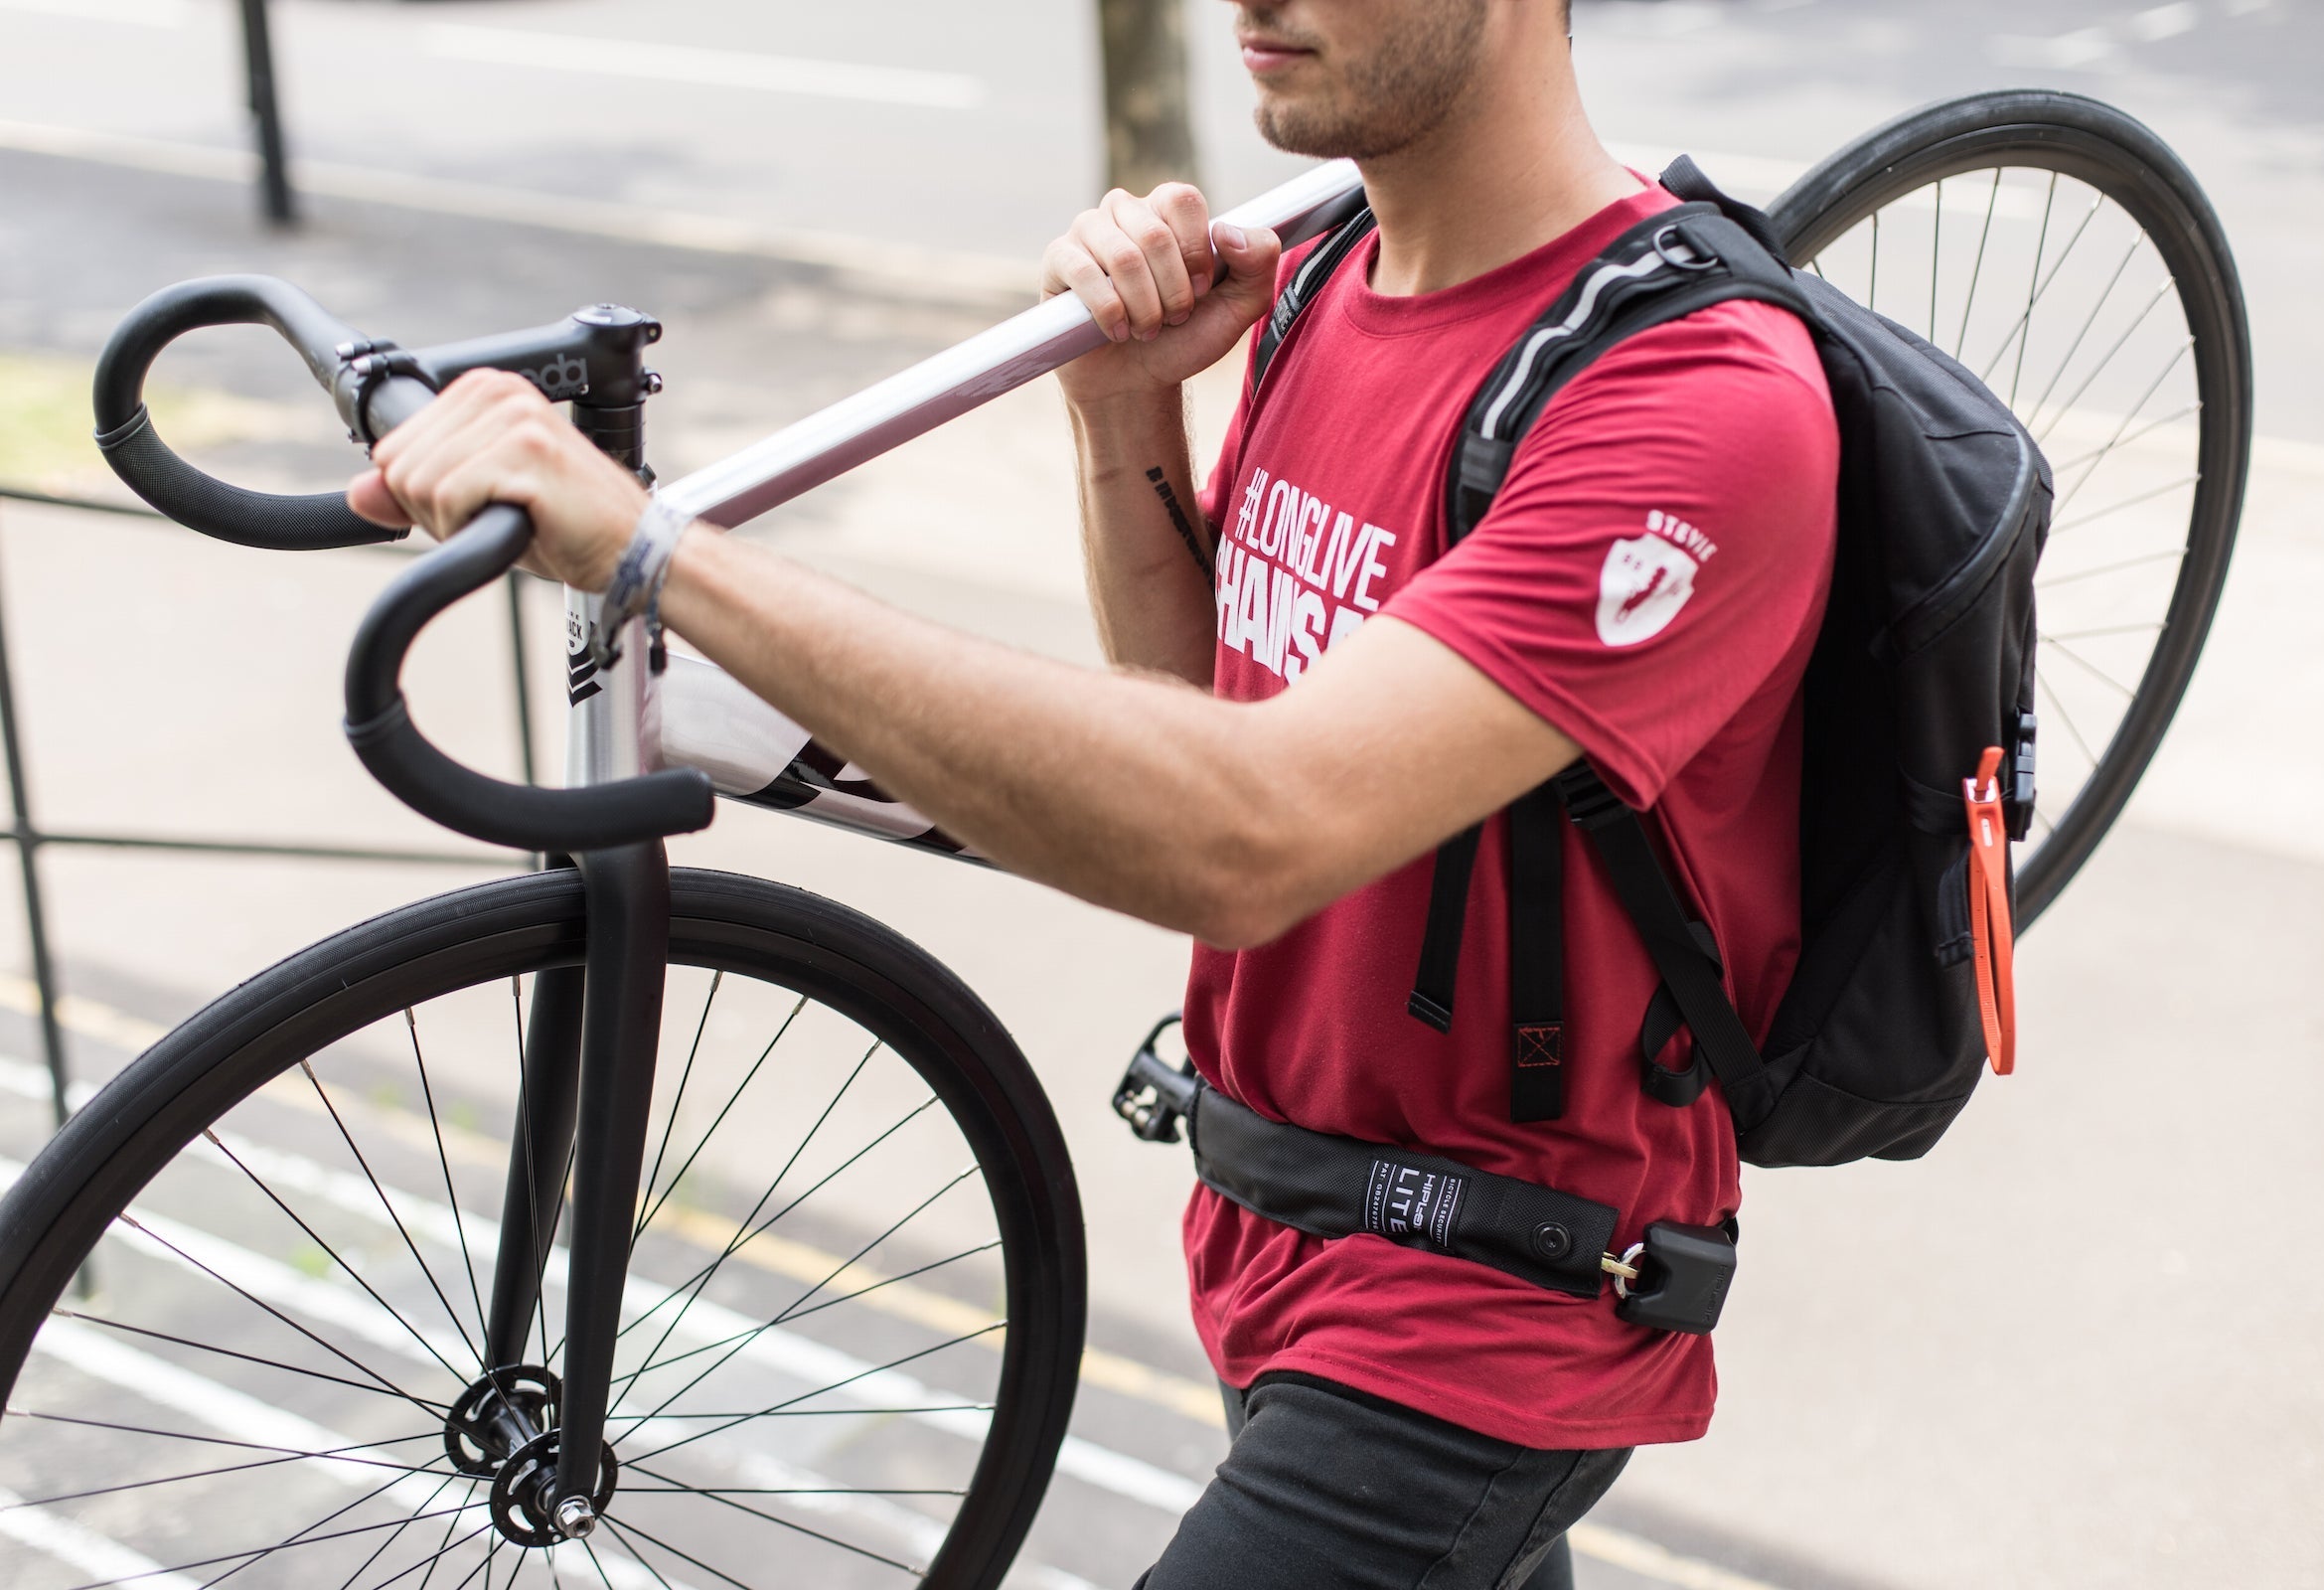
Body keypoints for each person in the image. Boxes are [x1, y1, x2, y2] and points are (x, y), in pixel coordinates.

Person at [346, 1, 1838, 1583]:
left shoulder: (1691, 402)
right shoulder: (1330, 273)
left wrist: (655, 551)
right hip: (1273, 1226)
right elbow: (1198, 714)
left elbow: (1245, 838)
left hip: (1487, 1306)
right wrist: (1124, 407)